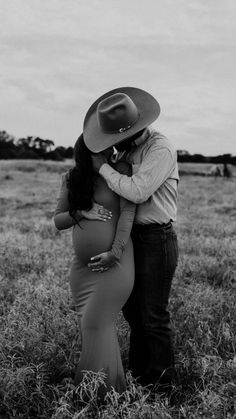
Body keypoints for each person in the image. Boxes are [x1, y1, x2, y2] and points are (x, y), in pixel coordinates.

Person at [85, 87, 179, 394]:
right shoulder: (124, 152)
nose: (111, 146)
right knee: (134, 313)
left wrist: (102, 168)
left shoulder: (159, 148)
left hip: (155, 238)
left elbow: (138, 191)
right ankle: (140, 379)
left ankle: (163, 387)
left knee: (153, 315)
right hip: (130, 239)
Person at [54, 134, 136, 398]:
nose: (110, 154)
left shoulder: (120, 172)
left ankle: (92, 392)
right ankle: (112, 390)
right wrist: (82, 211)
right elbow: (58, 220)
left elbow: (127, 214)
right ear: (86, 153)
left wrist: (115, 252)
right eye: (102, 151)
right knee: (93, 327)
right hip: (82, 270)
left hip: (116, 263)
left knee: (95, 322)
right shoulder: (71, 178)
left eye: (110, 150)